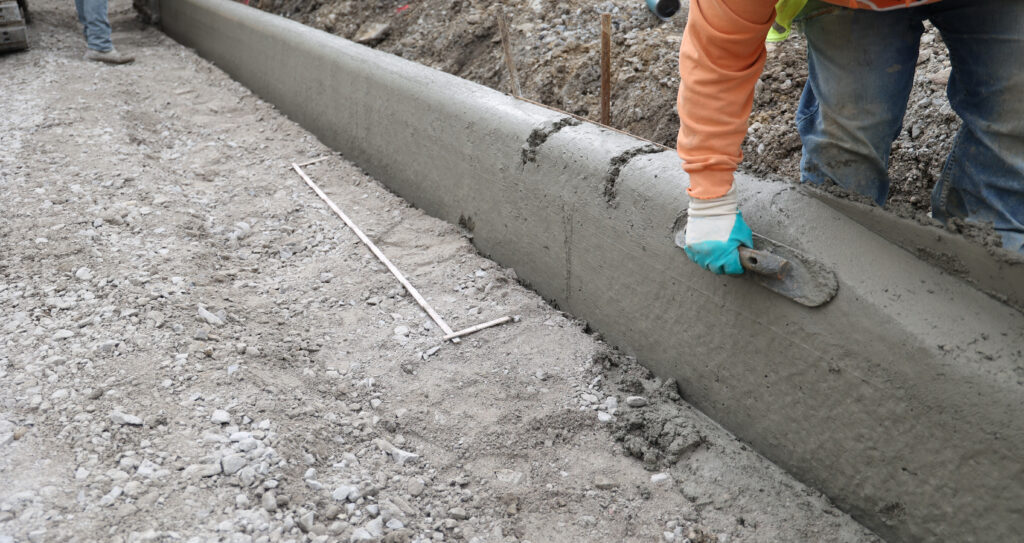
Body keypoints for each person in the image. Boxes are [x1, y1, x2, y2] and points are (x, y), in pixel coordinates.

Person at [676, 0, 1024, 275]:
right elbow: (718, 59)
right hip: (852, 4)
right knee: (850, 136)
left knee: (1014, 118)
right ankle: (840, 261)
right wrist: (710, 200)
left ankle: (983, 254)